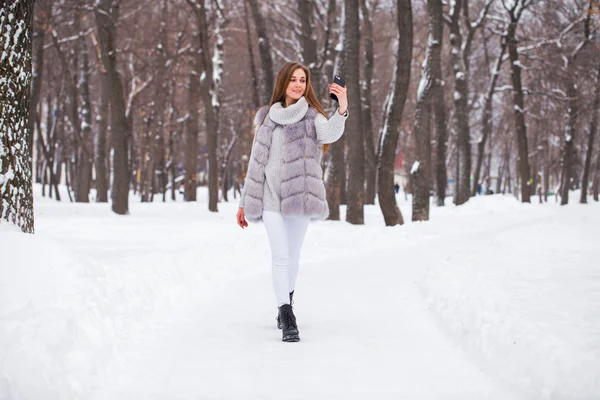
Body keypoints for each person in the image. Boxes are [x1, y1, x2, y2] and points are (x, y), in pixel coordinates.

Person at [236, 62, 348, 342]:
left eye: (303, 80)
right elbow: (256, 162)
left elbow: (331, 133)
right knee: (280, 256)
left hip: (300, 197)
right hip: (270, 198)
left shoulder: (312, 118)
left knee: (293, 258)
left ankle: (285, 300)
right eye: (293, 80)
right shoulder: (266, 119)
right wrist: (243, 202)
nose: (298, 85)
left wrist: (342, 107)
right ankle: (286, 314)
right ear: (283, 83)